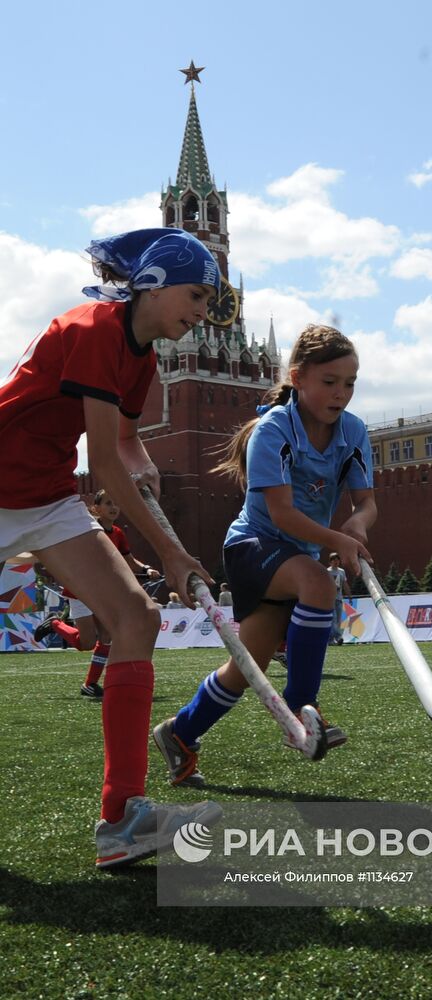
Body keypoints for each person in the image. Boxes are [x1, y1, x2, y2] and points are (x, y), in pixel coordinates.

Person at [0, 227, 222, 868]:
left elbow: (125, 447)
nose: (203, 313)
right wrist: (173, 555)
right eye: (197, 296)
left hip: (43, 496)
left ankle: (122, 818)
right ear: (153, 283)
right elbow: (104, 465)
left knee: (135, 619)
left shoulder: (142, 354)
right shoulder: (96, 328)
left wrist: (145, 462)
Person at [152, 323, 376, 786]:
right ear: (298, 378)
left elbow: (366, 502)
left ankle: (179, 733)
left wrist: (356, 524)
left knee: (243, 670)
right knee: (317, 583)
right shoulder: (273, 429)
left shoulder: (353, 431)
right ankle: (300, 709)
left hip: (297, 550)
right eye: (329, 382)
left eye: (350, 383)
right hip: (255, 544)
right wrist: (336, 541)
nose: (341, 394)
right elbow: (281, 513)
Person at [34, 489, 161, 699]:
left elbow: (129, 561)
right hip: (80, 590)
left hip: (102, 589)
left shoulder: (118, 533)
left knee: (106, 637)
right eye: (108, 503)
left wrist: (146, 569)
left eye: (116, 503)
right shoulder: (88, 532)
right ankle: (55, 623)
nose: (114, 508)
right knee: (86, 643)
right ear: (96, 508)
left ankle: (90, 684)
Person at [326, 552, 350, 644]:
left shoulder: (341, 571)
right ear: (330, 562)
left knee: (339, 619)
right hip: (330, 598)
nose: (336, 562)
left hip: (339, 598)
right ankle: (338, 637)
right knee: (333, 618)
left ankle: (331, 640)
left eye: (337, 560)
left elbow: (344, 584)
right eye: (334, 560)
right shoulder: (327, 571)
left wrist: (349, 595)